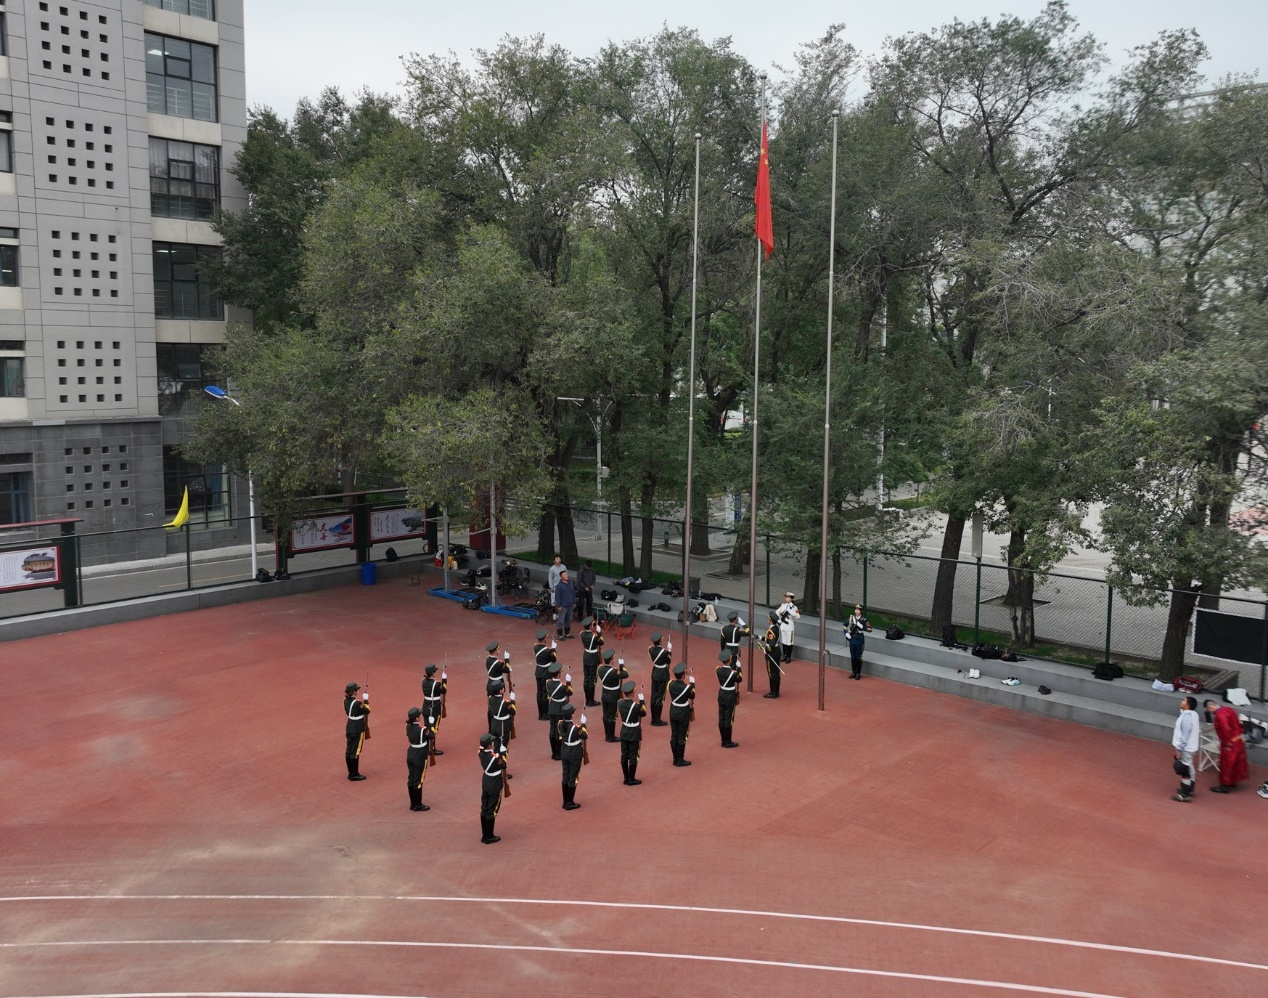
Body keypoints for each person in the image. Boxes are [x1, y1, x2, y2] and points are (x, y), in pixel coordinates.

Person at [1204, 699, 1249, 793]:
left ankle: (1224, 786)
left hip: (1229, 743)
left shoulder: (1220, 715)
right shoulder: (1229, 709)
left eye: (1209, 711)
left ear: (1210, 708)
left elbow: (1226, 730)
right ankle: (1232, 781)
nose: (1211, 713)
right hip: (1237, 740)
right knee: (1236, 763)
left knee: (1226, 764)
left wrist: (1224, 743)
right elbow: (1238, 723)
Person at [478, 733, 508, 844]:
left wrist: (498, 754)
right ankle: (489, 836)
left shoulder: (480, 753)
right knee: (492, 809)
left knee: (484, 808)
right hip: (494, 783)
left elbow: (489, 754)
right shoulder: (494, 758)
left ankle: (484, 835)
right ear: (489, 745)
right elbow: (503, 765)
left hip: (486, 781)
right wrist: (502, 754)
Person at [558, 702, 588, 809]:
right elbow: (585, 735)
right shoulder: (575, 728)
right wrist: (583, 724)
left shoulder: (560, 724)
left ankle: (565, 801)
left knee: (565, 775)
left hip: (565, 750)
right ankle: (569, 802)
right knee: (573, 776)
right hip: (574, 752)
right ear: (572, 715)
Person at [618, 679, 647, 785]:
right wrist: (642, 701)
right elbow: (643, 713)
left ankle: (626, 777)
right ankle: (631, 778)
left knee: (624, 755)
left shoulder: (620, 703)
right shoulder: (636, 706)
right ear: (632, 693)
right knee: (633, 756)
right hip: (634, 731)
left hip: (624, 730)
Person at [1170, 696, 1200, 803]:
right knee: (1189, 765)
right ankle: (1190, 788)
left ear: (1187, 705)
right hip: (1191, 746)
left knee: (1184, 769)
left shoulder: (1186, 717)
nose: (1181, 701)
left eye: (1184, 700)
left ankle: (1184, 794)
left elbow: (1185, 735)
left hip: (1186, 748)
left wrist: (1179, 749)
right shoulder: (1193, 714)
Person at [405, 706, 434, 812]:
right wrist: (431, 725)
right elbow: (431, 735)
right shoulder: (422, 729)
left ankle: (413, 803)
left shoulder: (407, 726)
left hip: (411, 752)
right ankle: (417, 804)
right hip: (420, 755)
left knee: (411, 778)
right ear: (417, 718)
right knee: (418, 780)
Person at [667, 663, 696, 766]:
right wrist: (693, 685)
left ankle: (675, 758)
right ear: (683, 675)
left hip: (673, 710)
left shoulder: (670, 683)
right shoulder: (687, 687)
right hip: (683, 711)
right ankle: (680, 759)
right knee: (682, 736)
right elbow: (692, 695)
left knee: (674, 735)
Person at [598, 649, 628, 743]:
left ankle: (607, 734)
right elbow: (625, 674)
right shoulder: (613, 672)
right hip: (613, 695)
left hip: (604, 694)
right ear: (611, 660)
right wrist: (622, 665)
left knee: (605, 715)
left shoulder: (600, 669)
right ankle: (610, 736)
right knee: (612, 716)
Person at [545, 662, 573, 760]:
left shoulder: (548, 683)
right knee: (558, 731)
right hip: (560, 709)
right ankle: (558, 753)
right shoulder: (562, 686)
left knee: (552, 730)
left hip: (552, 707)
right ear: (558, 674)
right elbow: (570, 692)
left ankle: (554, 752)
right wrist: (568, 682)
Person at [343, 681, 370, 781]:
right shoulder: (357, 703)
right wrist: (366, 700)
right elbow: (367, 710)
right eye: (357, 690)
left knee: (349, 750)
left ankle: (351, 772)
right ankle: (354, 774)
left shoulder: (345, 700)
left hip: (350, 725)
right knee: (356, 751)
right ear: (354, 692)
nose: (358, 691)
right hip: (357, 727)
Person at [716, 650, 742, 748]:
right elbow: (739, 679)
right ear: (730, 659)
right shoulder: (733, 673)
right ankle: (728, 741)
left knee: (721, 717)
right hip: (730, 695)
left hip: (721, 693)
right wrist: (739, 668)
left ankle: (723, 740)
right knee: (728, 719)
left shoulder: (718, 670)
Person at [647, 632, 672, 726]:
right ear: (661, 641)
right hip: (662, 674)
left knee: (654, 695)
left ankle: (653, 719)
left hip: (655, 672)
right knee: (660, 697)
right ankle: (657, 720)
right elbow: (668, 661)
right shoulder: (665, 652)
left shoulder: (650, 649)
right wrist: (669, 650)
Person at [421, 665, 446, 756]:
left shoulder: (423, 681)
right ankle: (431, 748)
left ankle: (426, 745)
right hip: (434, 708)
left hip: (425, 707)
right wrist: (444, 681)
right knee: (433, 729)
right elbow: (444, 690)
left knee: (427, 727)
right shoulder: (436, 684)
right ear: (432, 673)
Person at [533, 629, 556, 721]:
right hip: (546, 672)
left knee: (539, 693)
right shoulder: (548, 650)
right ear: (545, 639)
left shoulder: (535, 647)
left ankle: (540, 714)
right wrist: (554, 649)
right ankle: (545, 714)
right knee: (545, 693)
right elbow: (554, 660)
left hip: (538, 671)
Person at [580, 616, 604, 706]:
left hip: (586, 656)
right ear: (590, 626)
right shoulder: (594, 636)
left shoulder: (581, 634)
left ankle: (587, 699)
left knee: (586, 678)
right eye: (593, 625)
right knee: (592, 679)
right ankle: (591, 700)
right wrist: (599, 632)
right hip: (593, 657)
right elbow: (602, 642)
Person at [488, 677, 516, 751]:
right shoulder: (505, 703)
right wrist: (512, 701)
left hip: (494, 724)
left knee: (496, 746)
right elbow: (513, 711)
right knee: (503, 747)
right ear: (500, 691)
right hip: (503, 726)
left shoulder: (490, 699)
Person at [845, 604, 872, 679]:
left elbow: (870, 629)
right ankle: (853, 672)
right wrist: (846, 633)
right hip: (852, 639)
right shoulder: (851, 618)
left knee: (858, 657)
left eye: (858, 610)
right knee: (853, 656)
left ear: (861, 611)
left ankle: (858, 673)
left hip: (859, 639)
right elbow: (844, 625)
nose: (856, 611)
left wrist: (862, 626)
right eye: (856, 609)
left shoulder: (864, 619)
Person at [761, 613, 783, 699]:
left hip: (772, 654)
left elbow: (771, 644)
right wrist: (759, 637)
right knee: (776, 673)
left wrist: (766, 650)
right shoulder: (776, 628)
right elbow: (769, 639)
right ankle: (776, 691)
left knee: (772, 673)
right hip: (777, 652)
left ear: (770, 620)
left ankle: (773, 692)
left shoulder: (771, 631)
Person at [776, 592, 800, 664]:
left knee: (789, 642)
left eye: (788, 597)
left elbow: (798, 616)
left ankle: (789, 657)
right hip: (783, 625)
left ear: (791, 598)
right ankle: (784, 656)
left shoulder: (794, 607)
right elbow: (777, 612)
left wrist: (791, 612)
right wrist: (779, 618)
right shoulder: (783, 605)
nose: (786, 598)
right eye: (786, 597)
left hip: (789, 625)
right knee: (784, 641)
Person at [554, 570, 577, 640]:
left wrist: (574, 602)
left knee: (568, 620)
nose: (566, 576)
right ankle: (559, 636)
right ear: (561, 577)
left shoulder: (571, 584)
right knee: (560, 621)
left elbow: (573, 593)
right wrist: (558, 606)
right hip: (563, 606)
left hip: (570, 606)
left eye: (566, 574)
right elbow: (557, 597)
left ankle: (567, 634)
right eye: (564, 575)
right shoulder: (559, 586)